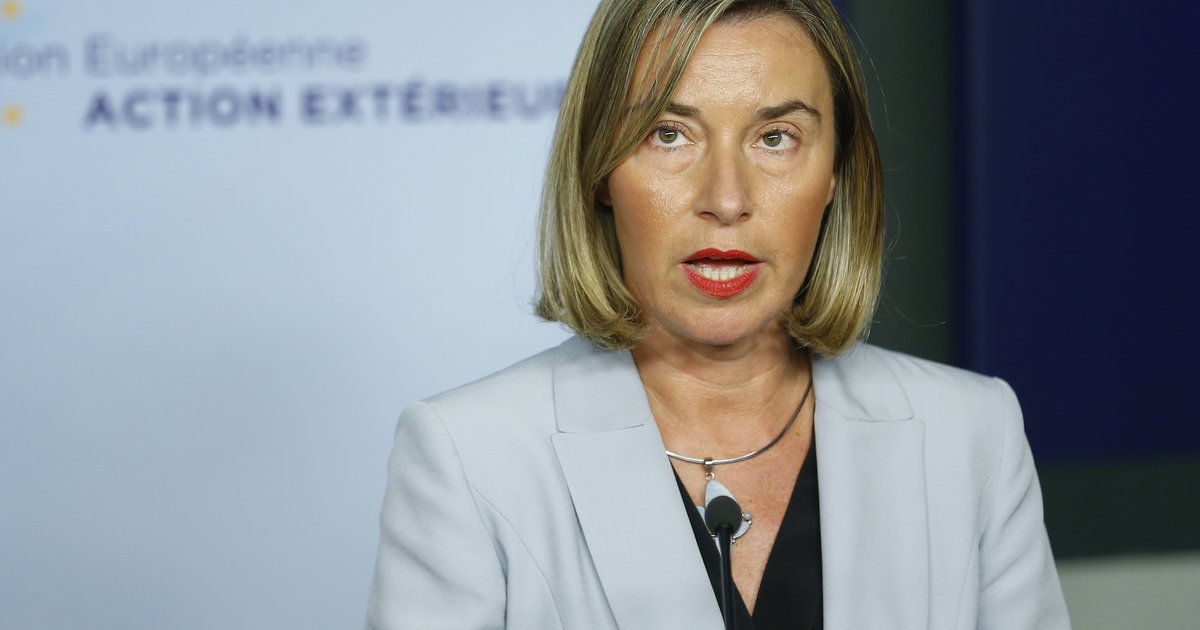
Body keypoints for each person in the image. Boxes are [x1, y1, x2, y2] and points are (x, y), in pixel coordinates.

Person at [366, 0, 1071, 628]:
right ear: (600, 170)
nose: (726, 200)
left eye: (775, 138)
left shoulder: (971, 434)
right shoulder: (471, 456)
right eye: (669, 134)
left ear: (835, 174)